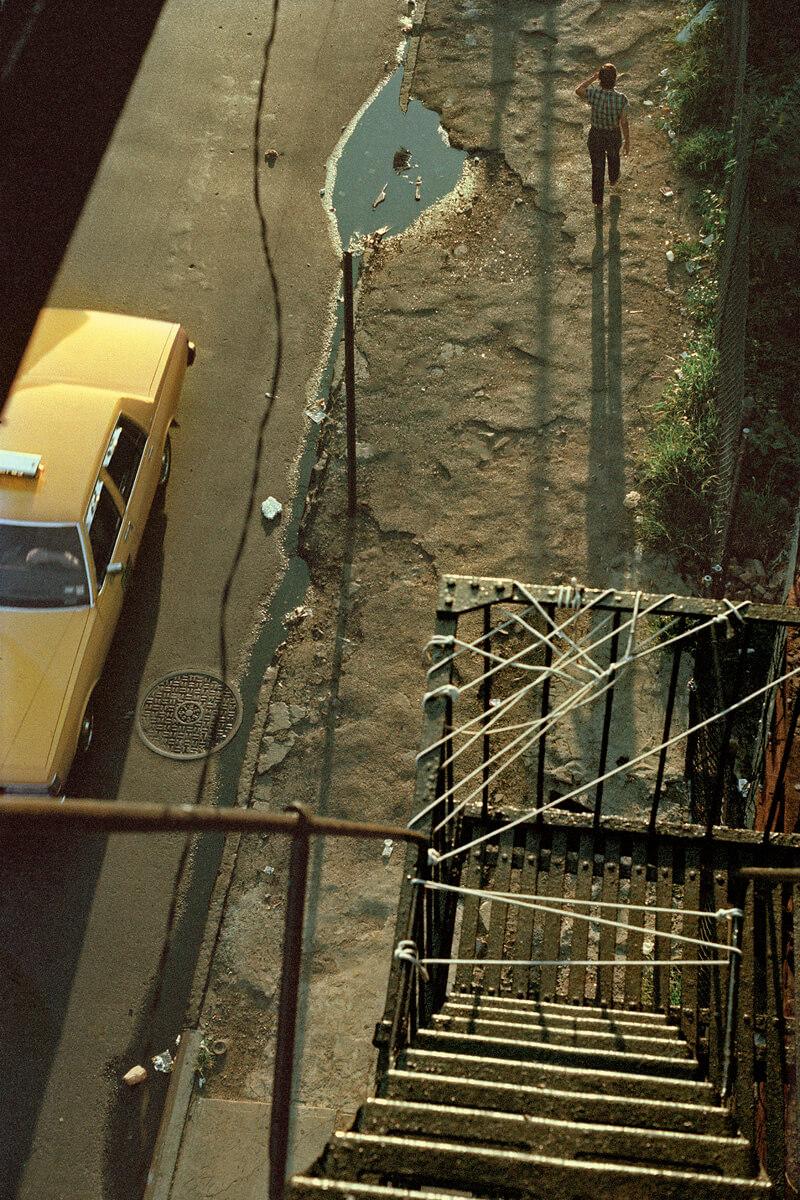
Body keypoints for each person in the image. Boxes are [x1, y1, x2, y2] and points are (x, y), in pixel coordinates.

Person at [575, 62, 630, 208]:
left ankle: (598, 203)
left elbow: (579, 90)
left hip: (596, 135)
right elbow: (624, 122)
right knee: (613, 158)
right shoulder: (622, 99)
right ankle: (612, 179)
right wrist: (627, 141)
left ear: (600, 79)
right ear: (615, 79)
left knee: (597, 168)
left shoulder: (594, 94)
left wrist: (592, 78)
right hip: (613, 134)